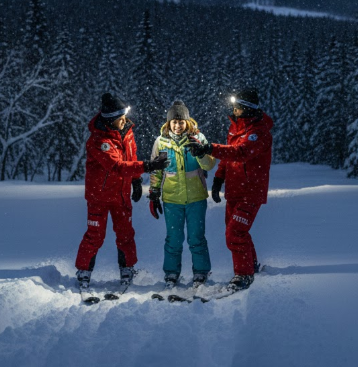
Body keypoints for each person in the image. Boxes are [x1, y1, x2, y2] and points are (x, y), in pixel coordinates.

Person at [75, 93, 169, 290]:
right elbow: (116, 166)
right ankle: (84, 270)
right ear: (110, 119)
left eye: (125, 116)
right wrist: (148, 166)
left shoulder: (127, 132)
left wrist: (136, 180)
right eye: (121, 118)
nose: (125, 120)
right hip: (99, 196)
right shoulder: (98, 140)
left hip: (121, 194)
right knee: (95, 235)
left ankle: (127, 268)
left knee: (125, 234)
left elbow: (131, 156)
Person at [186, 89, 273, 292]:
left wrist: (209, 148)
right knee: (235, 231)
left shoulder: (259, 132)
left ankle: (244, 274)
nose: (234, 110)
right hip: (235, 190)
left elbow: (241, 153)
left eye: (237, 107)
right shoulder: (235, 128)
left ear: (247, 109)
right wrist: (219, 179)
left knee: (236, 233)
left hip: (251, 192)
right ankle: (251, 265)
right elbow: (228, 156)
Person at [147, 101, 216, 289]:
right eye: (174, 122)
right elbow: (156, 170)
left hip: (196, 198)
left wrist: (201, 153)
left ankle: (201, 272)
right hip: (172, 199)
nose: (177, 125)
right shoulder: (161, 142)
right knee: (173, 239)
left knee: (196, 237)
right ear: (168, 123)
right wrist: (154, 193)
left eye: (181, 122)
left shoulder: (198, 138)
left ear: (187, 122)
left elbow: (209, 165)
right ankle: (171, 273)